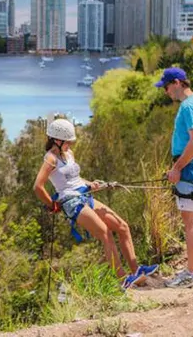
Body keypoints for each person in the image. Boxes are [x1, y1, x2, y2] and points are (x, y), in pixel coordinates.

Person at [33, 117, 159, 290]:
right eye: (68, 141)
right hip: (71, 202)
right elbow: (38, 186)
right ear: (57, 140)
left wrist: (90, 184)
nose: (71, 144)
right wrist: (52, 205)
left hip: (84, 195)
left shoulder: (68, 154)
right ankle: (122, 279)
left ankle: (136, 270)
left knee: (122, 226)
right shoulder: (51, 158)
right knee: (105, 233)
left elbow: (75, 179)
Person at [156, 67, 193, 288]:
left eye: (167, 87)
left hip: (189, 167)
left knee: (189, 221)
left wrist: (177, 168)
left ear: (178, 83)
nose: (166, 92)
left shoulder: (189, 106)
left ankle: (192, 273)